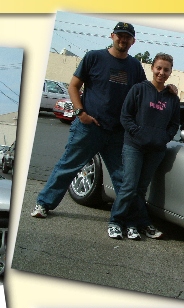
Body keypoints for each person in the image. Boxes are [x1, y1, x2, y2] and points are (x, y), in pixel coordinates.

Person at [31, 22, 146, 219]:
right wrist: (80, 113)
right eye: (120, 35)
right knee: (68, 167)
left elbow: (143, 94)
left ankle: (129, 218)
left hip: (117, 132)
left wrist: (167, 90)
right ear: (112, 36)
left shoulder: (135, 66)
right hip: (89, 127)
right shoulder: (94, 57)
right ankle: (43, 204)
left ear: (133, 41)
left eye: (127, 36)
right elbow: (73, 86)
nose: (123, 39)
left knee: (121, 177)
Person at [108, 53, 180, 240]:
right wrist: (138, 133)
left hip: (156, 150)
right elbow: (125, 116)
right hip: (134, 146)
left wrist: (164, 137)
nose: (161, 72)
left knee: (141, 189)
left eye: (166, 69)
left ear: (171, 72)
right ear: (152, 68)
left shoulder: (172, 98)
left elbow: (174, 124)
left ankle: (133, 224)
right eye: (158, 68)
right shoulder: (139, 89)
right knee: (129, 186)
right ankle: (116, 221)